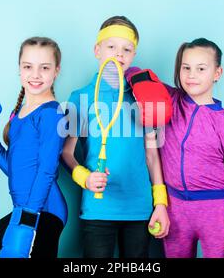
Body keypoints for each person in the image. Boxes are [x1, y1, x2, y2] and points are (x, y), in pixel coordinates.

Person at [61, 16, 170, 258]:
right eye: (111, 47)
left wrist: (160, 202)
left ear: (133, 55)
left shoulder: (144, 97)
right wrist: (85, 178)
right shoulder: (80, 97)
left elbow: (152, 155)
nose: (119, 54)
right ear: (97, 50)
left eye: (127, 49)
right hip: (98, 208)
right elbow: (66, 153)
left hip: (139, 209)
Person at [159, 38, 224, 258]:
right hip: (174, 208)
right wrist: (139, 80)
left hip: (215, 211)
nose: (191, 75)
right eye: (185, 67)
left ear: (217, 73)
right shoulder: (169, 101)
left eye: (201, 68)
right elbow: (137, 74)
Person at [0, 37, 67, 258]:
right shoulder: (19, 112)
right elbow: (14, 169)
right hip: (24, 209)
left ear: (56, 71)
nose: (36, 74)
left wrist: (27, 220)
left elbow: (46, 170)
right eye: (28, 67)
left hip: (46, 211)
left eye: (45, 68)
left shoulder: (52, 113)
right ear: (19, 68)